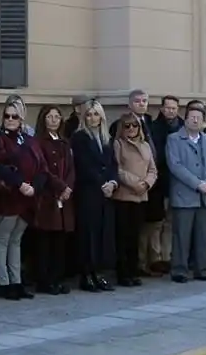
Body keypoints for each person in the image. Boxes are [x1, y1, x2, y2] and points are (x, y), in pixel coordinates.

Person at [0, 100, 40, 300]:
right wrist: (20, 183)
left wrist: (35, 187)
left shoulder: (28, 140)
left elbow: (39, 165)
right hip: (6, 197)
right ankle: (3, 282)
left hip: (25, 199)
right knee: (2, 240)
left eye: (14, 116)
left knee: (16, 241)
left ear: (21, 118)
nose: (9, 120)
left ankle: (16, 281)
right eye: (6, 116)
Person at [165, 102, 206, 283]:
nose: (195, 121)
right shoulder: (174, 139)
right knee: (181, 235)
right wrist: (196, 183)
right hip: (184, 195)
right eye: (192, 118)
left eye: (199, 118)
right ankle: (179, 270)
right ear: (186, 119)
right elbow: (175, 166)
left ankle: (201, 269)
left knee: (203, 235)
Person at [69, 100, 116, 292]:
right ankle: (86, 275)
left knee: (101, 234)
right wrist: (101, 183)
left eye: (96, 114)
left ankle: (98, 273)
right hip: (88, 191)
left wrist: (112, 182)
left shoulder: (107, 138)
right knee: (88, 235)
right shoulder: (79, 137)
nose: (92, 118)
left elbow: (113, 164)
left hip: (106, 193)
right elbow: (84, 165)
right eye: (89, 114)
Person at [30, 105, 74, 295]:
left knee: (60, 240)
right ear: (43, 119)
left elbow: (72, 168)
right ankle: (44, 280)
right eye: (50, 117)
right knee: (45, 240)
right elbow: (43, 168)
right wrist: (60, 186)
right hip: (48, 196)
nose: (54, 120)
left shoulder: (64, 142)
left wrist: (68, 187)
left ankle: (57, 278)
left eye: (57, 116)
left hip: (65, 197)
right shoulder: (38, 142)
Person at [110, 113, 157, 287]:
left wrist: (146, 184)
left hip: (141, 196)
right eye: (127, 126)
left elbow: (153, 169)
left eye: (134, 126)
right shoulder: (118, 144)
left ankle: (133, 270)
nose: (131, 129)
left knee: (136, 236)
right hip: (124, 195)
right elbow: (117, 169)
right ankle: (123, 273)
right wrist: (134, 183)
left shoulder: (145, 145)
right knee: (123, 236)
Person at [145, 95, 182, 275]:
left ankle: (167, 256)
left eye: (174, 108)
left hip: (178, 182)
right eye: (167, 108)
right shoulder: (154, 127)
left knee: (170, 222)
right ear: (162, 109)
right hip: (159, 181)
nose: (171, 111)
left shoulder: (183, 127)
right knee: (156, 222)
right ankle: (156, 257)